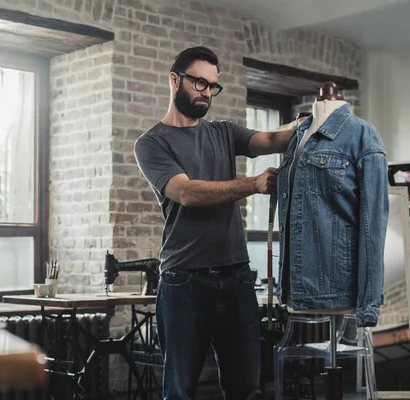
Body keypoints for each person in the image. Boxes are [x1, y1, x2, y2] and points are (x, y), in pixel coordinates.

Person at [133, 46, 303, 400]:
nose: (207, 93)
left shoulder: (225, 132)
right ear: (174, 79)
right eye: (199, 83)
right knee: (179, 391)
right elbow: (187, 192)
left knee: (246, 389)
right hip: (184, 282)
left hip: (237, 277)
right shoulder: (151, 143)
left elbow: (273, 139)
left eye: (213, 86)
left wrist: (314, 119)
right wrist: (253, 184)